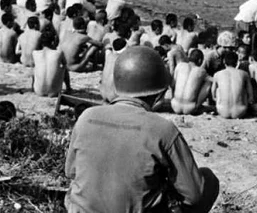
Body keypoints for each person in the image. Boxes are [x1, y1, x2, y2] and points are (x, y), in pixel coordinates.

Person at [64, 46, 219, 212]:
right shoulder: (163, 130)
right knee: (208, 180)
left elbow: (70, 171)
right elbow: (193, 194)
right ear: (159, 93)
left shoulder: (86, 117)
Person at [212, 52, 254, 119]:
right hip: (240, 112)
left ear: (224, 61)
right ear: (237, 62)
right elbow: (251, 97)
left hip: (222, 111)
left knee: (218, 89)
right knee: (244, 89)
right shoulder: (244, 74)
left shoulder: (217, 74)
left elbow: (213, 96)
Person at [171, 50, 212, 115]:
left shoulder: (179, 66)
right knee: (209, 82)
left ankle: (175, 99)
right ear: (200, 60)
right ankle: (197, 105)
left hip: (174, 105)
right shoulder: (202, 71)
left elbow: (173, 84)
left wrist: (173, 98)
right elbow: (211, 81)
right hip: (190, 108)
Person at [32, 27, 70, 97]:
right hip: (54, 92)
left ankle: (32, 87)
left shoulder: (35, 53)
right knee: (64, 68)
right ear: (52, 42)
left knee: (36, 67)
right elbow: (65, 64)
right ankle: (69, 88)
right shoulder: (58, 53)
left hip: (38, 91)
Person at [100, 38, 126, 102]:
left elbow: (107, 48)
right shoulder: (124, 59)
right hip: (113, 96)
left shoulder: (109, 55)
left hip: (102, 93)